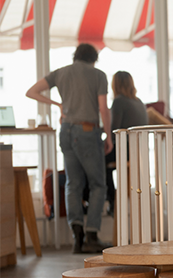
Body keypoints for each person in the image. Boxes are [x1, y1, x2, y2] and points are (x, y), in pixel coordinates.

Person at [26, 43, 112, 253]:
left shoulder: (61, 73)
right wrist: (109, 135)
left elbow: (31, 92)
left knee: (73, 184)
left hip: (66, 131)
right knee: (98, 185)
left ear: (76, 56)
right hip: (87, 131)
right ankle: (92, 235)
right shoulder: (98, 75)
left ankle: (77, 237)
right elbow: (103, 108)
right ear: (93, 58)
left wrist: (57, 105)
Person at [105, 71, 148, 212]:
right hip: (140, 152)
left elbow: (114, 130)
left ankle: (112, 200)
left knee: (97, 161)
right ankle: (112, 200)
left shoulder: (119, 101)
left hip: (126, 151)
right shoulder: (139, 102)